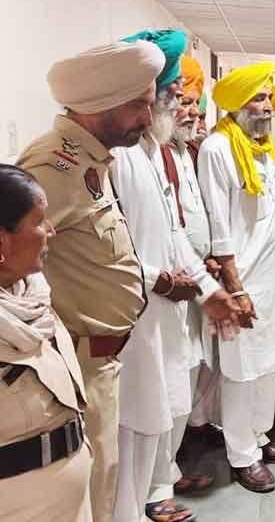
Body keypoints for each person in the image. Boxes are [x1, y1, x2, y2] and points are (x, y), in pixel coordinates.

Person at [17, 40, 164, 522]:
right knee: (88, 492)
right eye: (139, 105)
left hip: (99, 361)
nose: (148, 117)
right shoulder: (53, 167)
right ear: (102, 105)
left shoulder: (92, 159)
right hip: (75, 365)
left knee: (103, 479)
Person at [109, 30, 245, 522]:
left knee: (168, 401)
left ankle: (156, 487)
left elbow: (172, 231)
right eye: (170, 95)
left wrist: (208, 290)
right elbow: (109, 248)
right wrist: (163, 282)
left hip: (170, 303)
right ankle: (137, 503)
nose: (175, 104)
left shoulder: (154, 151)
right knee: (136, 415)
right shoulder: (121, 155)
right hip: (135, 310)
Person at [198, 62, 275, 494]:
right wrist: (235, 286)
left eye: (268, 98)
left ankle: (259, 437)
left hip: (272, 278)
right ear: (238, 104)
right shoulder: (217, 148)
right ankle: (242, 455)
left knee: (268, 362)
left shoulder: (263, 147)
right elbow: (219, 226)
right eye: (257, 99)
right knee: (241, 369)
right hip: (243, 279)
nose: (266, 106)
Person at [0, 165, 90, 522]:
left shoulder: (33, 296)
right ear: (2, 242)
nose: (51, 230)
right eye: (39, 221)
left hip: (70, 497)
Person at [166, 55, 220, 494]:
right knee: (174, 373)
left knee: (199, 362)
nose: (192, 112)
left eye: (196, 104)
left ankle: (193, 431)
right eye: (183, 102)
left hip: (199, 273)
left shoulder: (189, 150)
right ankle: (162, 476)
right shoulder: (151, 152)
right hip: (170, 284)